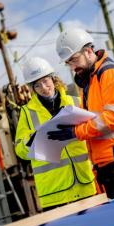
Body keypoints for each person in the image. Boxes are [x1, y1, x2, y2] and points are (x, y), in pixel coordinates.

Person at [48, 28, 114, 201]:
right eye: (68, 63)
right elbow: (95, 118)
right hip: (107, 162)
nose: (72, 67)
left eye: (74, 60)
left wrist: (76, 132)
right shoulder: (89, 81)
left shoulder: (110, 73)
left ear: (89, 51)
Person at [15, 57, 96, 210]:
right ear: (32, 89)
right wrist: (30, 141)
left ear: (53, 79)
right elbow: (20, 149)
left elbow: (92, 131)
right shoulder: (26, 112)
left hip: (84, 182)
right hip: (53, 192)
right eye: (37, 85)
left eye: (46, 81)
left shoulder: (75, 102)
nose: (44, 88)